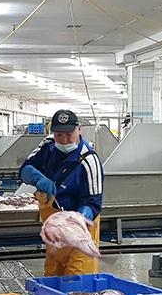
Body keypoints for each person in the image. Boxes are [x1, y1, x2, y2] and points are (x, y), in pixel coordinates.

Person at [20, 109, 103, 276]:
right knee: (53, 274)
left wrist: (77, 220)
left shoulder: (89, 160)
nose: (64, 140)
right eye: (59, 135)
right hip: (54, 226)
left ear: (79, 129)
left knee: (78, 280)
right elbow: (24, 169)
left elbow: (93, 203)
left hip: (80, 229)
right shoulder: (48, 145)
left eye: (69, 134)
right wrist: (37, 178)